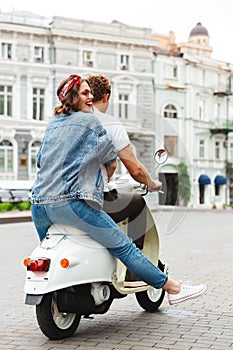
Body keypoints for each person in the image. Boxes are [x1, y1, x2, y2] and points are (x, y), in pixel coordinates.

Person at [31, 73, 206, 305]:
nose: (90, 96)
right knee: (124, 247)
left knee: (51, 248)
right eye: (84, 92)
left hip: (39, 206)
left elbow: (41, 161)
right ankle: (174, 288)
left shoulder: (53, 124)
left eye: (90, 92)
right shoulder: (92, 122)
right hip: (71, 204)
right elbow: (111, 161)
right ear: (73, 98)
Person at [86, 73, 207, 304]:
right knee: (137, 203)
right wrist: (151, 183)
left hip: (59, 199)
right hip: (93, 198)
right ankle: (135, 267)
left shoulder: (74, 119)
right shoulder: (109, 123)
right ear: (107, 96)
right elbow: (133, 170)